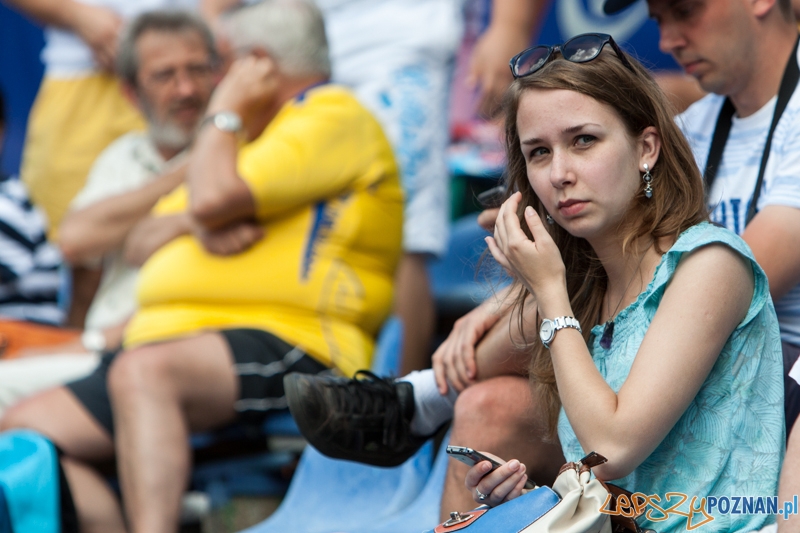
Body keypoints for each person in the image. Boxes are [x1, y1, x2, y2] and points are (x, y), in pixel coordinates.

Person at [286, 33, 785, 533]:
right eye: (539, 153)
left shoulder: (710, 263)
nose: (561, 173)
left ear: (646, 149)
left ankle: (414, 402)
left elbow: (608, 452)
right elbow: (618, 499)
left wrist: (549, 293)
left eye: (584, 140)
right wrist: (526, 497)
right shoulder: (593, 292)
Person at [1, 1, 403, 531]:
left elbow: (209, 198)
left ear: (256, 64)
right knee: (22, 432)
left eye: (221, 66)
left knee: (145, 374)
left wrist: (223, 128)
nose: (211, 85)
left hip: (291, 338)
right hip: (171, 342)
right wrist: (198, 220)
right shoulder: (247, 140)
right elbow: (144, 238)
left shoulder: (328, 112)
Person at [0, 10, 218, 416]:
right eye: (164, 75)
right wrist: (184, 173)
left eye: (198, 70)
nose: (185, 88)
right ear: (131, 93)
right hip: (97, 348)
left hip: (162, 351)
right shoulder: (124, 155)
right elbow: (76, 240)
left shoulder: (241, 154)